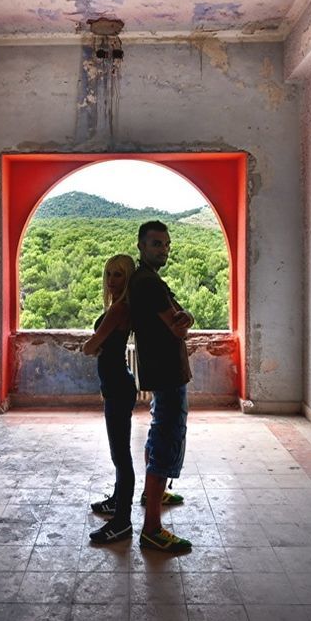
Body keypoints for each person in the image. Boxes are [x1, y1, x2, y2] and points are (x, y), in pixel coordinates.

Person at [129, 220, 194, 553]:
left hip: (161, 371)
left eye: (166, 244)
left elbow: (178, 318)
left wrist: (183, 319)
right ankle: (152, 528)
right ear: (140, 246)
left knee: (159, 430)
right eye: (156, 244)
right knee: (165, 438)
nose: (163, 249)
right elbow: (179, 326)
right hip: (167, 372)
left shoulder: (148, 280)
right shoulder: (149, 284)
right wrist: (184, 322)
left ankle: (152, 494)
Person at [82, 254, 138, 544]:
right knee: (120, 454)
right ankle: (117, 501)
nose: (112, 280)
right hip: (117, 384)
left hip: (118, 387)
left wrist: (90, 346)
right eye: (108, 274)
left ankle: (122, 521)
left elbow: (91, 346)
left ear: (128, 278)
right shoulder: (120, 307)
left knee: (121, 456)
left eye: (118, 275)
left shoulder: (119, 310)